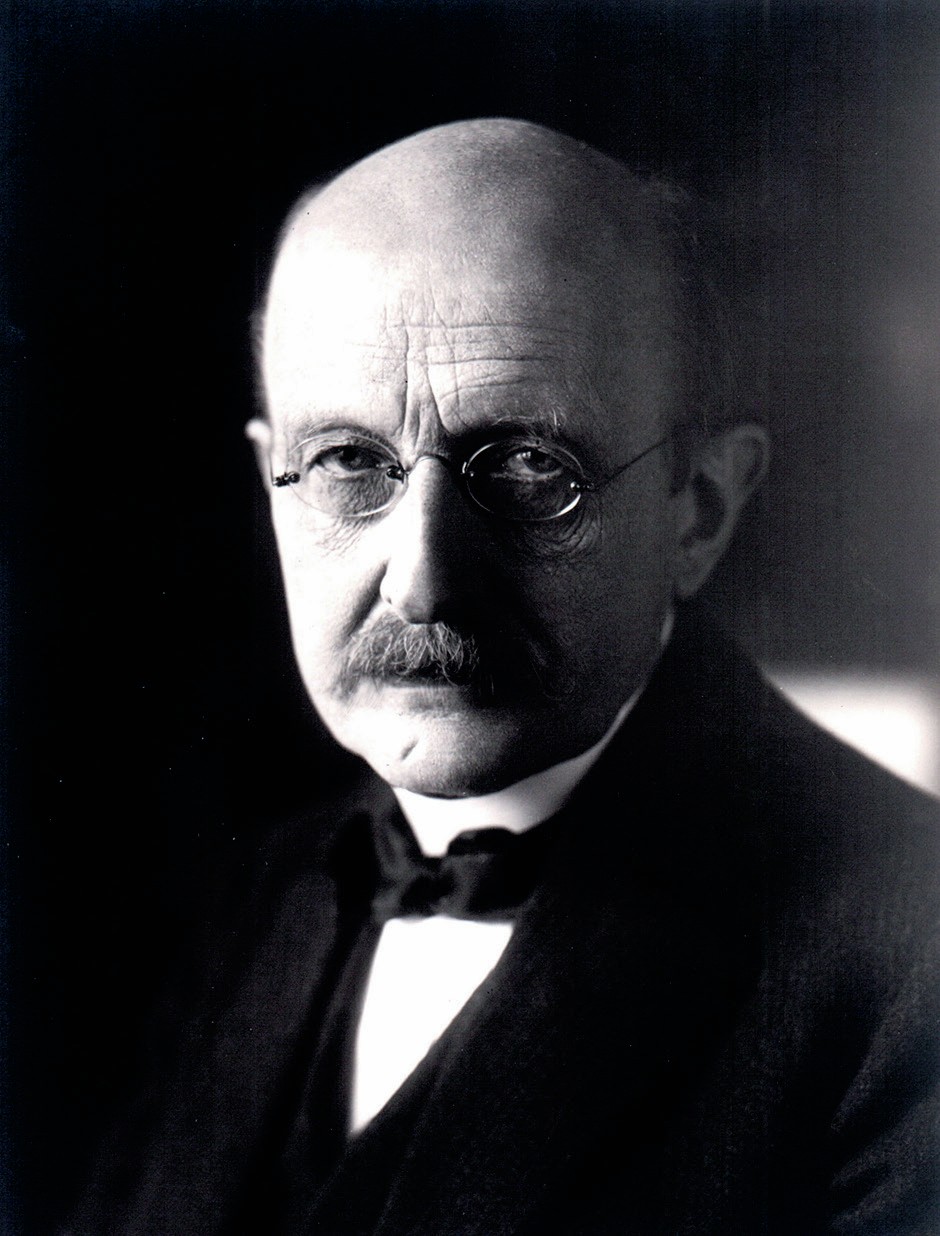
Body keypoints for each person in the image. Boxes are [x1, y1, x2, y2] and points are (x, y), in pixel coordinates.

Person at [67, 119, 939, 1234]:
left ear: (700, 508)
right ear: (269, 481)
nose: (423, 585)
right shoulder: (252, 895)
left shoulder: (904, 976)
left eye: (531, 468)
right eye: (346, 464)